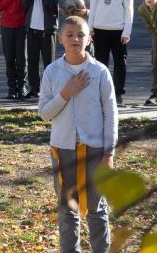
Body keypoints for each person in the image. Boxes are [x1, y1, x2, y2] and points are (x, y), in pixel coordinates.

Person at [38, 16, 117, 253]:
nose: (75, 39)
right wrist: (66, 93)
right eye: (70, 35)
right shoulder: (53, 72)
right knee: (67, 209)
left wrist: (109, 151)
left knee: (96, 208)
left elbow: (111, 113)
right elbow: (43, 113)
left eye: (81, 34)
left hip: (94, 150)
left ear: (89, 38)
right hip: (63, 149)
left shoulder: (99, 72)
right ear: (61, 39)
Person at [88, 0, 133, 106]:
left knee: (120, 62)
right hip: (100, 30)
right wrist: (90, 29)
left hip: (118, 31)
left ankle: (118, 93)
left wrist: (127, 31)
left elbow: (129, 9)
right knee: (101, 64)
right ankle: (102, 93)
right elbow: (93, 8)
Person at [22, 0, 59, 99]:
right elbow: (24, 7)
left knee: (49, 64)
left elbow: (53, 7)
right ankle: (34, 89)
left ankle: (49, 91)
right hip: (32, 30)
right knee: (32, 62)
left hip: (47, 32)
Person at [0, 0, 30, 100]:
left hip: (21, 24)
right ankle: (11, 87)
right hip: (7, 25)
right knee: (9, 57)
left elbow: (29, 5)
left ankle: (22, 86)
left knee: (21, 57)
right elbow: (1, 5)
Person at [139, 0, 157, 106]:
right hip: (156, 36)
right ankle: (155, 93)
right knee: (155, 63)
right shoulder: (142, 9)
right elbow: (149, 27)